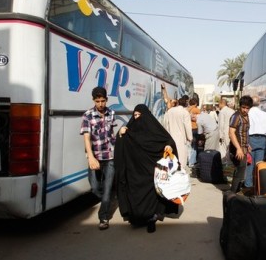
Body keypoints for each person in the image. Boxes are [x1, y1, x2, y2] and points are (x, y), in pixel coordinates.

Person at [114, 104, 179, 233]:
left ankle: (151, 218)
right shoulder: (128, 131)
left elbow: (168, 140)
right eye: (135, 115)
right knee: (135, 195)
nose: (137, 118)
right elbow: (121, 145)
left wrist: (168, 147)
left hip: (151, 171)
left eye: (140, 115)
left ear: (147, 117)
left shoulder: (155, 130)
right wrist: (120, 135)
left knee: (152, 196)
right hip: (134, 171)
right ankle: (137, 218)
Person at [80, 86, 116, 230]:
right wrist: (90, 157)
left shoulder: (111, 113)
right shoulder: (87, 115)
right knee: (95, 188)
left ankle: (104, 217)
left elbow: (112, 133)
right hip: (95, 157)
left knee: (107, 190)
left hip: (110, 157)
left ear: (106, 100)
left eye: (103, 101)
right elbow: (86, 138)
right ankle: (107, 200)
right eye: (97, 101)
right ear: (93, 100)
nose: (100, 104)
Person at [247, 95, 266, 188]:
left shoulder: (247, 114)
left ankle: (248, 185)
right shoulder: (265, 114)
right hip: (262, 139)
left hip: (250, 139)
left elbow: (245, 129)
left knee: (249, 164)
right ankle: (258, 186)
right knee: (259, 164)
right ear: (259, 103)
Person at [229, 95, 253, 193]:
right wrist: (238, 148)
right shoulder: (236, 116)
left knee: (240, 171)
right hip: (237, 148)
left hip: (243, 148)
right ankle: (233, 194)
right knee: (240, 171)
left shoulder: (246, 116)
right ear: (240, 106)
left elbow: (244, 132)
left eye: (247, 108)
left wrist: (247, 144)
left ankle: (234, 193)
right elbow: (231, 133)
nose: (245, 110)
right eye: (243, 107)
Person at [163, 97, 193, 168]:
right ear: (186, 104)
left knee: (171, 159)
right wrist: (190, 137)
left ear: (178, 103)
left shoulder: (169, 111)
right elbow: (187, 127)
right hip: (181, 140)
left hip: (170, 139)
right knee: (181, 160)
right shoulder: (185, 113)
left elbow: (165, 124)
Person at [187, 98, 201, 166]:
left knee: (189, 145)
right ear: (195, 103)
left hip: (189, 128)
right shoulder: (196, 109)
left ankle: (188, 160)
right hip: (195, 128)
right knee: (194, 146)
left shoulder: (188, 109)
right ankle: (192, 161)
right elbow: (201, 118)